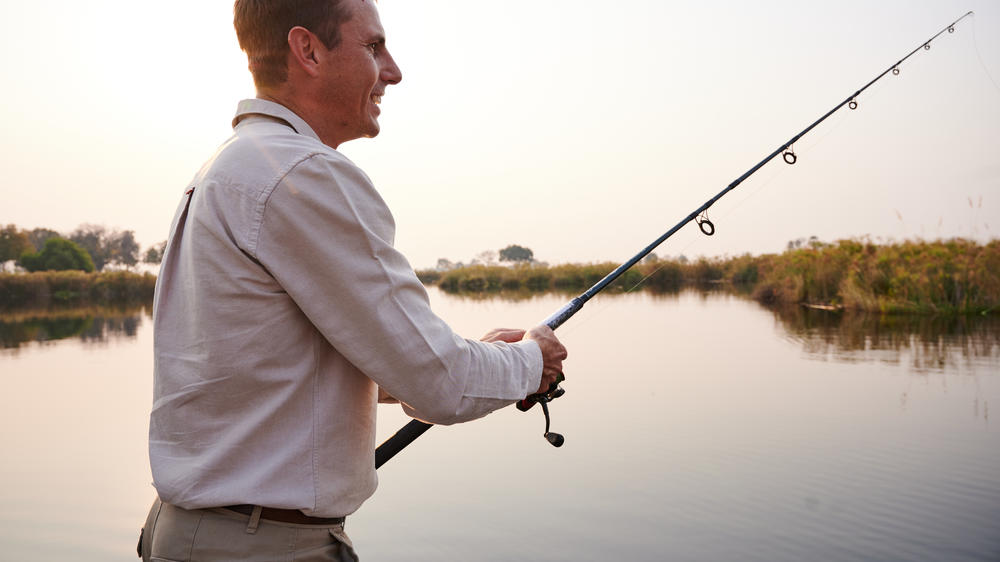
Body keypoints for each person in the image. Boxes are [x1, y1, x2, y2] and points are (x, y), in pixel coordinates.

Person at [138, 0, 568, 560]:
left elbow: (276, 369)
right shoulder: (303, 174)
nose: (392, 70)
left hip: (198, 534)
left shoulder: (230, 168)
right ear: (308, 50)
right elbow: (441, 383)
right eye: (372, 47)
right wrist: (533, 359)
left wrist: (463, 359)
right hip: (262, 548)